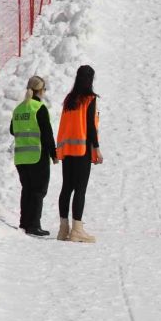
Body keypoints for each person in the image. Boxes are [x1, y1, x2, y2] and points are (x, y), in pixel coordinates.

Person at [55, 65, 103, 243]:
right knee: (80, 189)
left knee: (66, 188)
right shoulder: (89, 99)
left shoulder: (69, 99)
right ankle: (77, 229)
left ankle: (63, 229)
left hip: (67, 150)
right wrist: (96, 148)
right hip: (82, 150)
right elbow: (90, 126)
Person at [10, 76, 57, 236]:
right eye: (44, 89)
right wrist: (54, 154)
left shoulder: (18, 109)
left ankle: (24, 222)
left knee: (27, 190)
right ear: (40, 90)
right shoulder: (39, 108)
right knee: (38, 191)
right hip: (37, 155)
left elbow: (12, 130)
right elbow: (47, 134)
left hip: (21, 157)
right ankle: (34, 225)